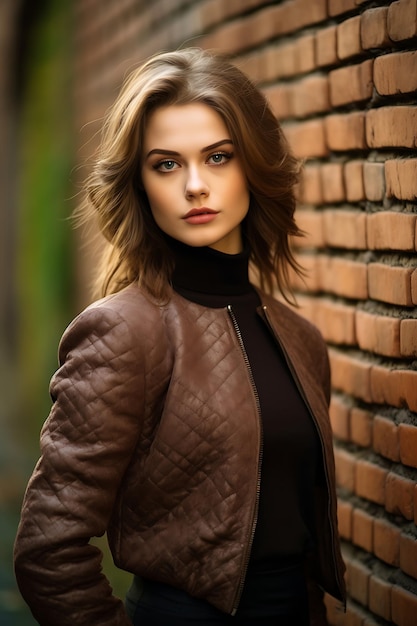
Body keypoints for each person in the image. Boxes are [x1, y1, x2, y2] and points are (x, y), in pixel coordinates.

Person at [14, 48, 346, 625]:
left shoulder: (301, 340)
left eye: (219, 157)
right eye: (166, 164)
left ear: (253, 166)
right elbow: (49, 551)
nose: (196, 185)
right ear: (139, 184)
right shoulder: (124, 331)